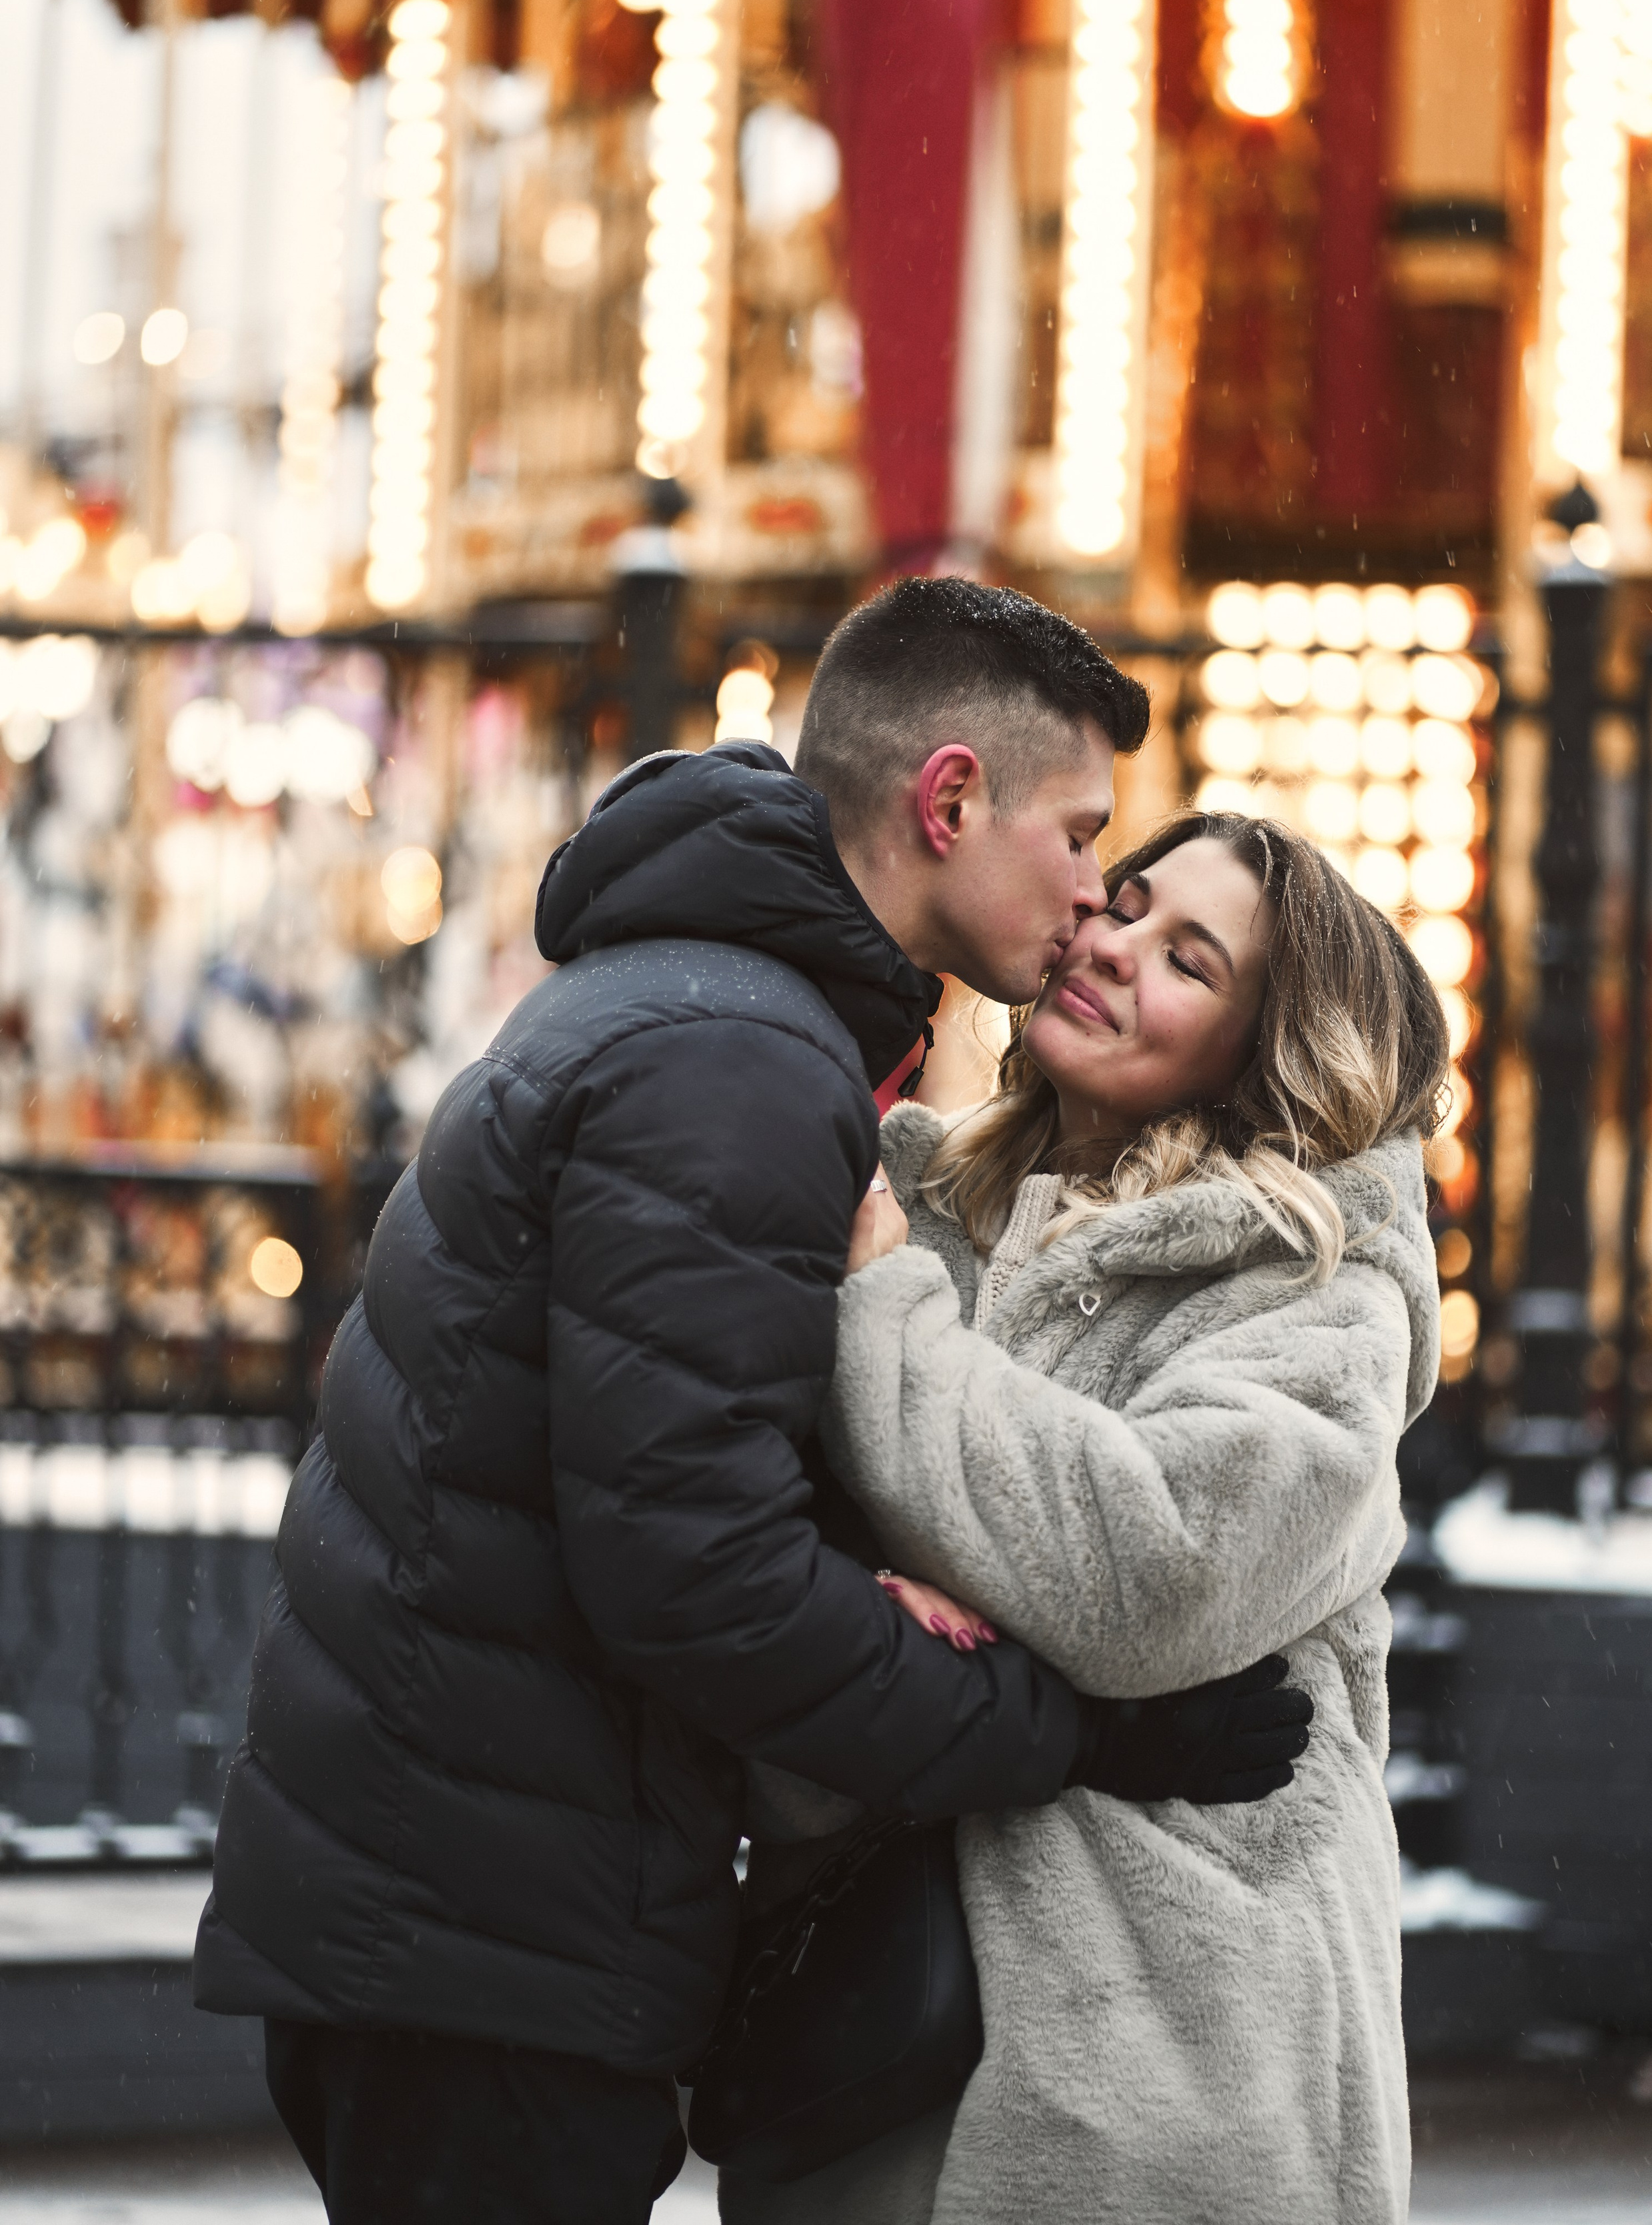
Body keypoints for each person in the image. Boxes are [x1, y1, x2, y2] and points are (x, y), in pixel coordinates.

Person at [191, 581, 1311, 2224]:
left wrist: (853, 1576)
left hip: (463, 1899)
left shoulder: (703, 1003)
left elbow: (655, 1482)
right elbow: (695, 1575)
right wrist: (1073, 1729)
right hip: (488, 1933)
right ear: (947, 801)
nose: (1089, 901)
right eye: (1078, 838)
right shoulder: (735, 1061)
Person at [721, 810, 1447, 2225]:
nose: (1109, 949)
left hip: (1166, 2077)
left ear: (1265, 1051)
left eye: (1186, 957)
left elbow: (1140, 1572)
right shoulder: (922, 1207)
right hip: (865, 2045)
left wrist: (885, 1317)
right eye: (1120, 903)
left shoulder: (1310, 1293)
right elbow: (758, 1556)